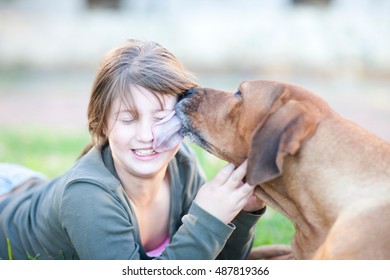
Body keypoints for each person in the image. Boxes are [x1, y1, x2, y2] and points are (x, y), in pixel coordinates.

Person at [0, 39, 266, 260]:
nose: (148, 136)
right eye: (128, 119)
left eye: (162, 117)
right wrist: (206, 218)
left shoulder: (182, 163)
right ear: (101, 124)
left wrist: (241, 213)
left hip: (30, 186)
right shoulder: (88, 199)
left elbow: (215, 265)